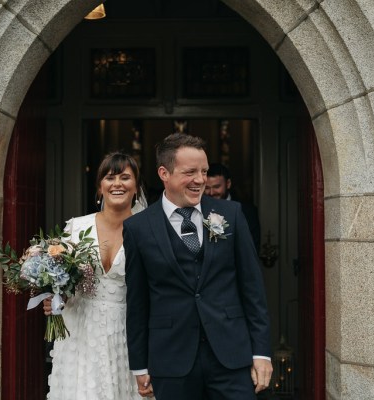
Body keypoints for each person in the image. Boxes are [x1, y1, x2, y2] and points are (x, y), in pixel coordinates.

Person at [123, 133, 272, 400]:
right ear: (164, 173)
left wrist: (261, 352)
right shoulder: (138, 228)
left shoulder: (232, 214)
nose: (201, 180)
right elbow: (137, 301)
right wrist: (140, 365)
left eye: (203, 171)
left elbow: (253, 288)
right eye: (190, 172)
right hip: (171, 359)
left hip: (232, 356)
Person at [44, 152, 145, 400]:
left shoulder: (147, 230)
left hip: (126, 331)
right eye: (110, 177)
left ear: (136, 187)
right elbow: (61, 279)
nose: (118, 184)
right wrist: (55, 298)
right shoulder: (77, 228)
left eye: (125, 177)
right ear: (100, 187)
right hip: (80, 329)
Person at [205, 163, 261, 251]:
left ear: (228, 184)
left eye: (216, 187)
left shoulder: (247, 211)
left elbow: (252, 249)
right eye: (207, 188)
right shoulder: (198, 208)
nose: (211, 193)